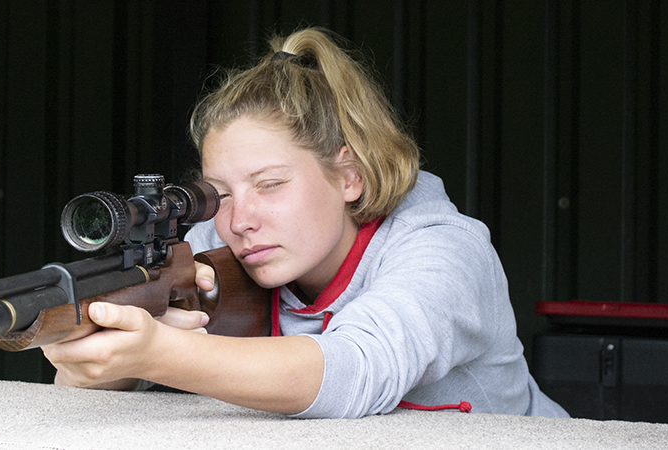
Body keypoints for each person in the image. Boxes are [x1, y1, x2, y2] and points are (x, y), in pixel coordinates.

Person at [41, 27, 569, 419]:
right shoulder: (210, 248)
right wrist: (96, 354)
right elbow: (82, 403)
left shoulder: (445, 250)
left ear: (349, 177)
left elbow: (356, 371)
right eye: (218, 195)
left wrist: (163, 353)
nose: (240, 220)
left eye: (270, 185)